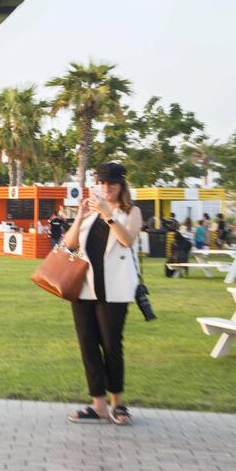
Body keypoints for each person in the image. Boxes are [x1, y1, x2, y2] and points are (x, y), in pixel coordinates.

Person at [62, 163, 143, 425]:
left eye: (112, 183)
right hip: (84, 288)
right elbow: (70, 244)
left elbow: (127, 239)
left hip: (114, 290)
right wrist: (79, 216)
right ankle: (98, 404)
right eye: (102, 183)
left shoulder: (131, 211)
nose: (107, 187)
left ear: (122, 186)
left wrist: (108, 214)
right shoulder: (89, 213)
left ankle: (117, 403)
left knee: (111, 346)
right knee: (88, 345)